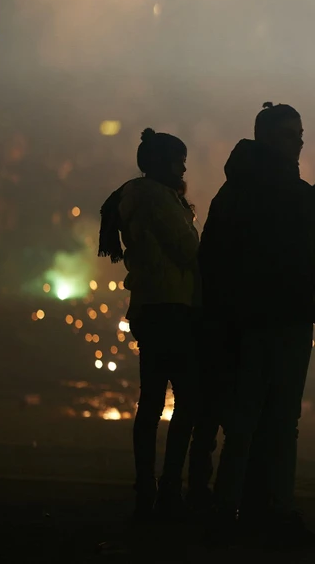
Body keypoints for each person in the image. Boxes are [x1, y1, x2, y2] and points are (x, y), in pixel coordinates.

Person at [200, 102, 315, 544]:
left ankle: (251, 511)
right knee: (257, 424)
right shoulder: (257, 187)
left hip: (280, 321)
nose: (298, 141)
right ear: (265, 139)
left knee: (266, 423)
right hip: (259, 324)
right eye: (288, 134)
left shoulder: (256, 186)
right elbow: (304, 218)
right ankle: (250, 512)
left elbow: (313, 257)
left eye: (299, 133)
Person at [97, 128, 200, 521]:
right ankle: (168, 485)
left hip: (150, 308)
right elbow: (188, 250)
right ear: (162, 163)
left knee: (152, 401)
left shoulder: (143, 196)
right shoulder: (158, 199)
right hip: (170, 308)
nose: (184, 166)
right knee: (187, 401)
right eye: (178, 160)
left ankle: (147, 484)